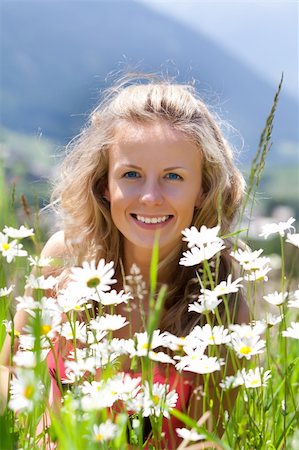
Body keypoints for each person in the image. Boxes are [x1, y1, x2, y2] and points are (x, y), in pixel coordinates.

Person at [0, 74, 249, 448]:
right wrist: (40, 429)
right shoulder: (64, 260)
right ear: (104, 184)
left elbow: (206, 438)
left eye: (173, 177)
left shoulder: (223, 305)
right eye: (131, 174)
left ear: (203, 188)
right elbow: (8, 369)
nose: (150, 197)